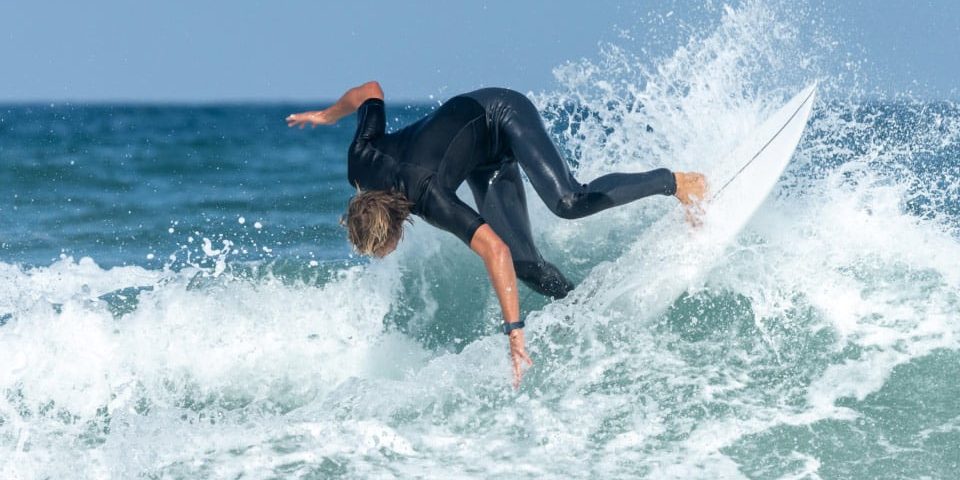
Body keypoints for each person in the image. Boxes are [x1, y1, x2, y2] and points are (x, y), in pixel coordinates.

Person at [287, 81, 707, 388]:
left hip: (501, 113)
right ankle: (587, 306)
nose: (387, 253)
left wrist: (515, 332)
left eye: (384, 248)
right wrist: (328, 116)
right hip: (482, 159)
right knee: (528, 267)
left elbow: (495, 250)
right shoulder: (359, 162)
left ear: (394, 225)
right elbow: (371, 90)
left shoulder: (427, 195)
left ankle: (678, 182)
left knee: (568, 202)